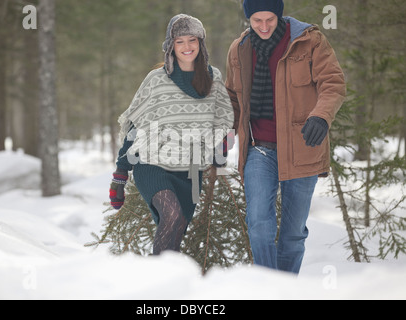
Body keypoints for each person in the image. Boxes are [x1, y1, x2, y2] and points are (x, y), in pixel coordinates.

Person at [225, 0, 345, 274]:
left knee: (293, 234)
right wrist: (224, 131)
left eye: (270, 20)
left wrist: (321, 116)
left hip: (303, 147)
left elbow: (333, 83)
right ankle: (269, 288)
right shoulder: (240, 49)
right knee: (258, 224)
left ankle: (286, 287)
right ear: (249, 19)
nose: (264, 27)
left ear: (280, 16)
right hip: (259, 148)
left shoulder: (309, 41)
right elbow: (233, 97)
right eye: (257, 21)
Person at [109, 14, 234, 256]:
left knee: (176, 230)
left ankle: (166, 283)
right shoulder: (157, 80)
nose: (187, 47)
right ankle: (158, 282)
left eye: (192, 40)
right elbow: (136, 127)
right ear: (170, 46)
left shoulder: (213, 78)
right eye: (180, 42)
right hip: (152, 163)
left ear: (201, 43)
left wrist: (220, 153)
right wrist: (120, 174)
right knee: (172, 214)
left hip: (191, 171)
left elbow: (222, 122)